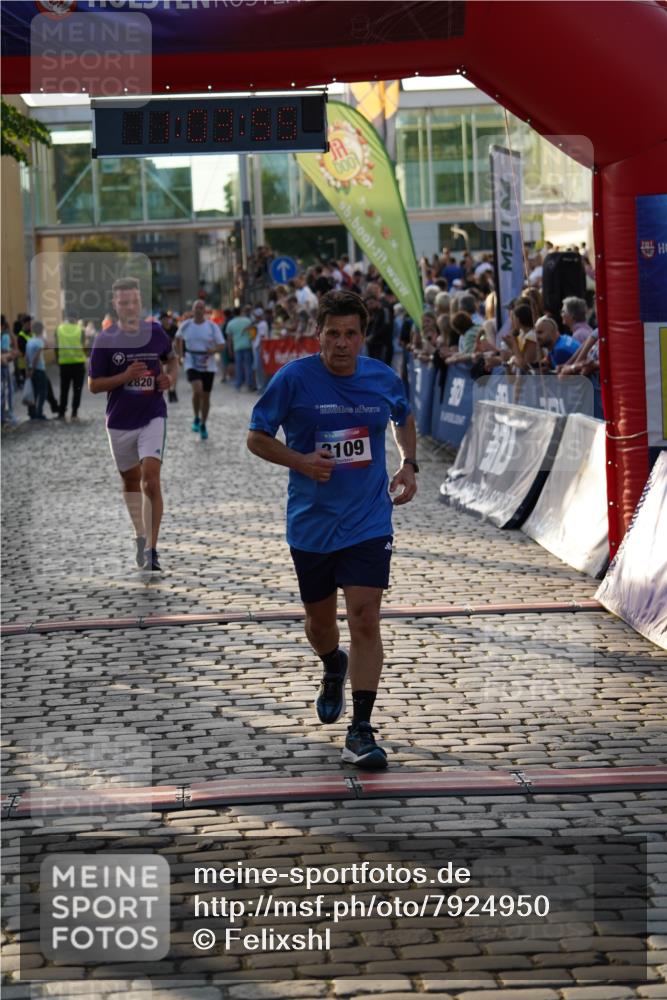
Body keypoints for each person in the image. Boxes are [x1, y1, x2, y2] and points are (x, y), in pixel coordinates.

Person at [247, 290, 417, 770]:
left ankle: (361, 729)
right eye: (333, 333)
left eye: (351, 334)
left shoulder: (382, 377)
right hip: (312, 524)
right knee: (321, 625)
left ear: (363, 336)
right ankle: (331, 663)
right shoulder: (294, 380)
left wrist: (409, 463)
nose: (342, 343)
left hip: (368, 519)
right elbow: (256, 436)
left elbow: (402, 416)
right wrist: (300, 460)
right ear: (318, 333)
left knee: (365, 618)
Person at [88, 277, 178, 572]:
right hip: (119, 422)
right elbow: (94, 385)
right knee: (130, 482)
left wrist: (170, 378)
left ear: (141, 302)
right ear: (115, 305)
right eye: (124, 302)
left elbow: (172, 361)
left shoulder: (155, 332)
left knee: (151, 479)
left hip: (152, 414)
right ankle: (140, 535)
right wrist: (124, 377)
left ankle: (152, 549)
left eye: (134, 301)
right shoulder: (105, 340)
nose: (130, 307)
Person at [175, 299, 224, 441]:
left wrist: (213, 350)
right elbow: (177, 338)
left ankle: (203, 423)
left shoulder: (212, 326)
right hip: (191, 360)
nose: (199, 310)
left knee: (206, 396)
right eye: (196, 307)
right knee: (198, 391)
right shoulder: (186, 325)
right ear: (193, 310)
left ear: (205, 310)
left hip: (208, 363)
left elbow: (222, 345)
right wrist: (179, 354)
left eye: (201, 307)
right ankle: (196, 416)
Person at [55, 313, 87, 421]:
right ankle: (74, 413)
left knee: (64, 389)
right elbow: (84, 346)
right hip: (78, 364)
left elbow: (56, 346)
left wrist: (57, 359)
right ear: (76, 319)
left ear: (66, 318)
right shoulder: (80, 330)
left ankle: (61, 413)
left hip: (64, 364)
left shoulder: (59, 329)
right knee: (77, 390)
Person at [227, 305, 254, 391]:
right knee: (248, 366)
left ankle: (238, 384)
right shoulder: (247, 321)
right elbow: (252, 334)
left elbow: (229, 339)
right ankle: (249, 384)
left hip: (237, 347)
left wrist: (229, 349)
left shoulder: (230, 323)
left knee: (238, 367)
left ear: (233, 313)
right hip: (247, 345)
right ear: (241, 312)